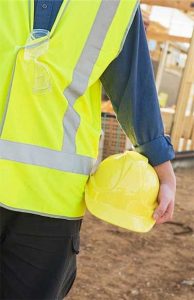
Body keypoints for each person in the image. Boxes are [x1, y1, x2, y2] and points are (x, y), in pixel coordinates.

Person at [0, 1, 176, 299]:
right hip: (51, 203)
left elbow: (133, 85)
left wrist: (163, 168)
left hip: (50, 205)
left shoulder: (115, 5)